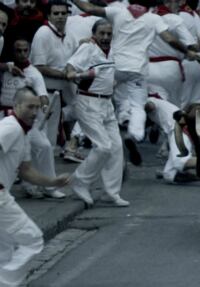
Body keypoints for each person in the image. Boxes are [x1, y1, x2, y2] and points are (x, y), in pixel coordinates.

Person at [71, 0, 199, 167]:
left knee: (100, 98)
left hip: (115, 66)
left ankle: (79, 136)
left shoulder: (118, 12)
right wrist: (186, 51)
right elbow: (169, 39)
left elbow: (87, 7)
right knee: (138, 105)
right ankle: (134, 134)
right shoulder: (153, 19)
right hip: (137, 69)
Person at [0, 87, 70, 287]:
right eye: (30, 107)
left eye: (37, 107)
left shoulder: (24, 133)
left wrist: (52, 182)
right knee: (33, 240)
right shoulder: (11, 128)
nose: (34, 112)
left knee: (4, 249)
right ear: (16, 105)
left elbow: (26, 170)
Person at [64, 19, 129, 207]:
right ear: (94, 34)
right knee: (102, 147)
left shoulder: (112, 51)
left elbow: (107, 75)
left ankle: (111, 192)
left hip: (107, 103)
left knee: (116, 148)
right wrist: (76, 74)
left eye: (109, 34)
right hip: (87, 101)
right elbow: (70, 68)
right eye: (102, 33)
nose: (106, 37)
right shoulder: (88, 48)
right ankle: (79, 181)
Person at [0, 39, 66, 200]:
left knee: (43, 146)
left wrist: (44, 107)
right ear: (12, 52)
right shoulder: (5, 68)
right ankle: (23, 186)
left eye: (25, 50)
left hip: (24, 121)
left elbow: (42, 94)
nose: (22, 54)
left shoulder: (34, 73)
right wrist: (7, 67)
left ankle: (49, 186)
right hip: (4, 117)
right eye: (18, 51)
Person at [30, 0, 80, 159]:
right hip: (46, 92)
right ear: (49, 15)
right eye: (56, 13)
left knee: (85, 109)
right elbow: (39, 66)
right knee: (45, 138)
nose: (60, 17)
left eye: (63, 13)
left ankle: (70, 144)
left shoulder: (70, 35)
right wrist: (64, 74)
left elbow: (75, 61)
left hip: (64, 90)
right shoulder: (43, 33)